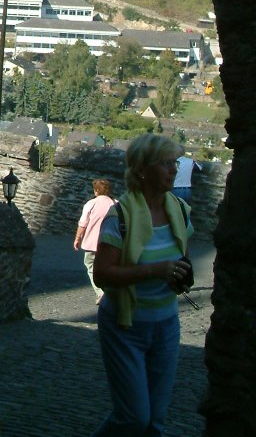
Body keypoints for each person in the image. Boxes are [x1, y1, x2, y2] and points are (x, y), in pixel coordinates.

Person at [90, 133, 193, 437]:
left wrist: (181, 277)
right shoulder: (119, 216)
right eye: (166, 163)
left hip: (166, 325)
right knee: (133, 418)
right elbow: (103, 275)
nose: (174, 169)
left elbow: (183, 262)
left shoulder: (180, 211)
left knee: (155, 423)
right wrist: (155, 270)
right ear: (143, 170)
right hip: (126, 327)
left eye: (174, 162)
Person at [73, 179, 116, 302]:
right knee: (108, 267)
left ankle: (100, 292)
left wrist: (77, 238)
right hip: (110, 242)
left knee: (91, 266)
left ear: (96, 190)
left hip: (92, 242)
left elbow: (83, 223)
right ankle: (109, 290)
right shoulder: (116, 203)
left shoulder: (91, 204)